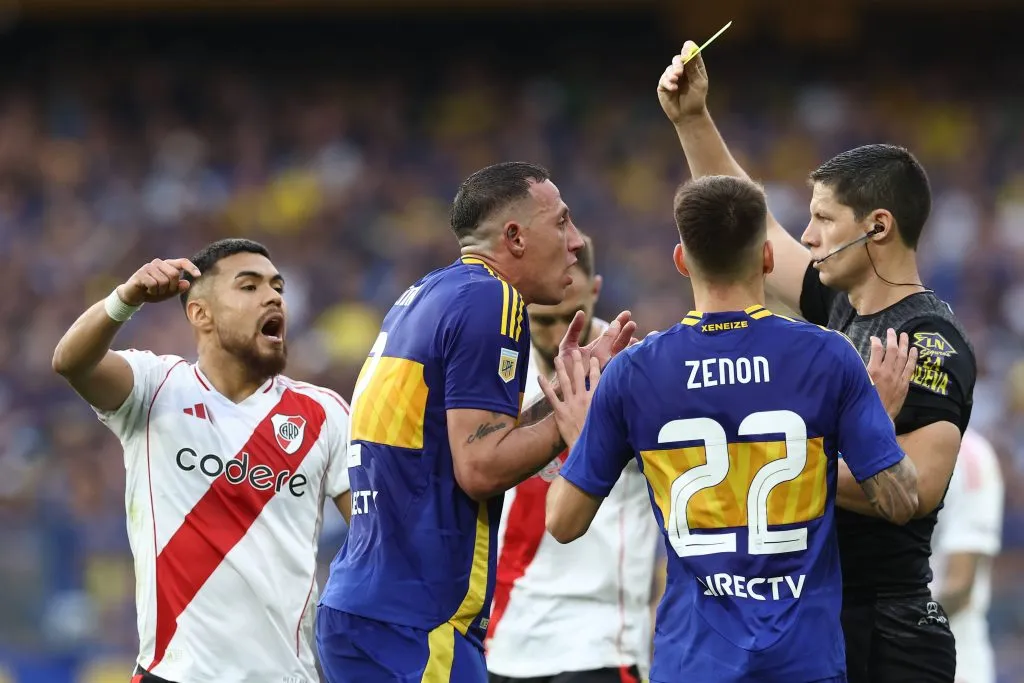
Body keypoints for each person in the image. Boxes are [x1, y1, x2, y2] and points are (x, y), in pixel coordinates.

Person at [657, 42, 977, 683]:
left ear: (878, 227)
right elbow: (752, 225)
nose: (805, 236)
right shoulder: (841, 306)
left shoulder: (929, 341)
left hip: (888, 628)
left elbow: (918, 488)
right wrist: (692, 120)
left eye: (823, 220)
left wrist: (762, 467)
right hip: (826, 617)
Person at [541, 174, 919, 683]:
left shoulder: (633, 373)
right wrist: (878, 422)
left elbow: (563, 523)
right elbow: (900, 502)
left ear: (681, 260)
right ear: (766, 258)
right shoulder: (828, 356)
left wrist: (583, 433)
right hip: (802, 662)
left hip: (693, 662)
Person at [316, 161, 636, 683]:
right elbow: (480, 468)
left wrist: (566, 393)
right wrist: (573, 417)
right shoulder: (495, 298)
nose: (576, 242)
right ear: (514, 237)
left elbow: (460, 441)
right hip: (418, 621)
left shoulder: (428, 295)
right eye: (560, 222)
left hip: (369, 610)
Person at [51, 239, 353, 683]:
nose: (272, 297)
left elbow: (374, 534)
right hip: (173, 674)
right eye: (248, 287)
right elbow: (70, 362)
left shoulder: (324, 412)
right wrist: (126, 298)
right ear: (200, 314)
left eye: (277, 287)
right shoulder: (155, 388)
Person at [486, 234, 665, 683]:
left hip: (601, 640)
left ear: (595, 291)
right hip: (506, 638)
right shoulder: (496, 376)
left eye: (571, 318)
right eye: (543, 320)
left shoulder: (634, 370)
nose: (557, 335)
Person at [930, 428, 1005, 683]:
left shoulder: (970, 456)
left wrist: (894, 628)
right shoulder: (864, 440)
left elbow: (960, 586)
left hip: (951, 660)